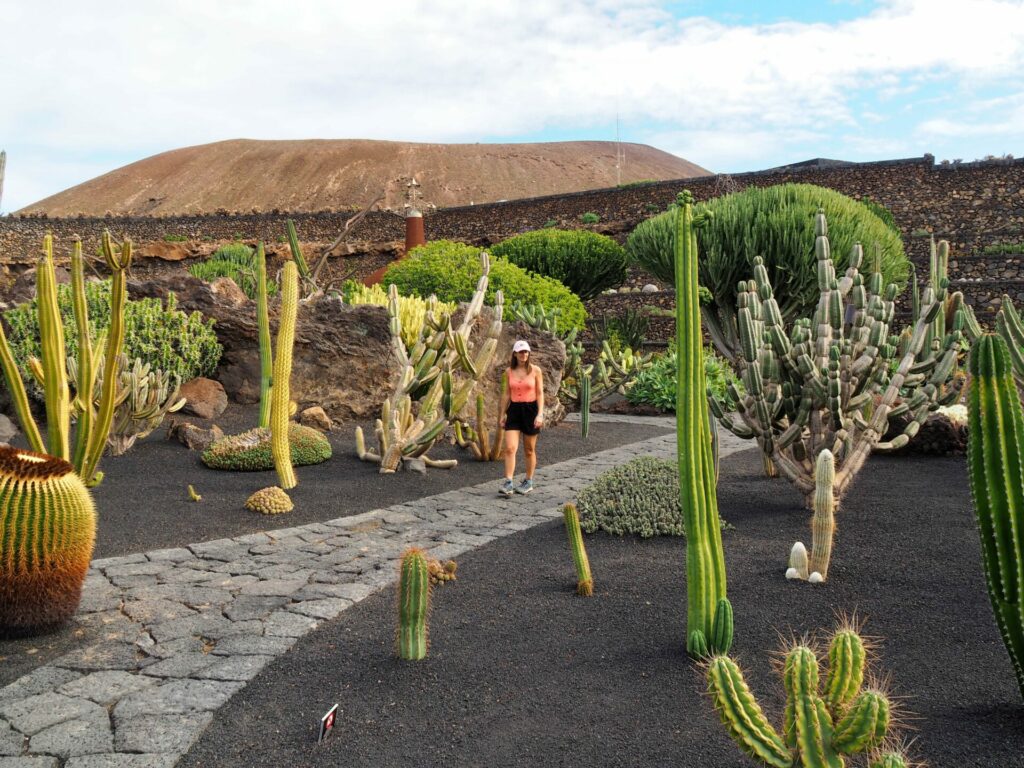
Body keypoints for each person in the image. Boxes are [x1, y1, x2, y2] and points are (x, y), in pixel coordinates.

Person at [498, 339, 544, 497]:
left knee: (529, 450)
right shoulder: (508, 372)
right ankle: (508, 482)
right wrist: (503, 413)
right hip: (514, 410)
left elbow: (540, 393)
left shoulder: (536, 370)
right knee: (510, 448)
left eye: (526, 351)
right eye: (521, 351)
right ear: (515, 354)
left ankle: (528, 481)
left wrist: (540, 414)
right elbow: (506, 394)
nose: (524, 354)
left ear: (529, 353)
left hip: (531, 410)